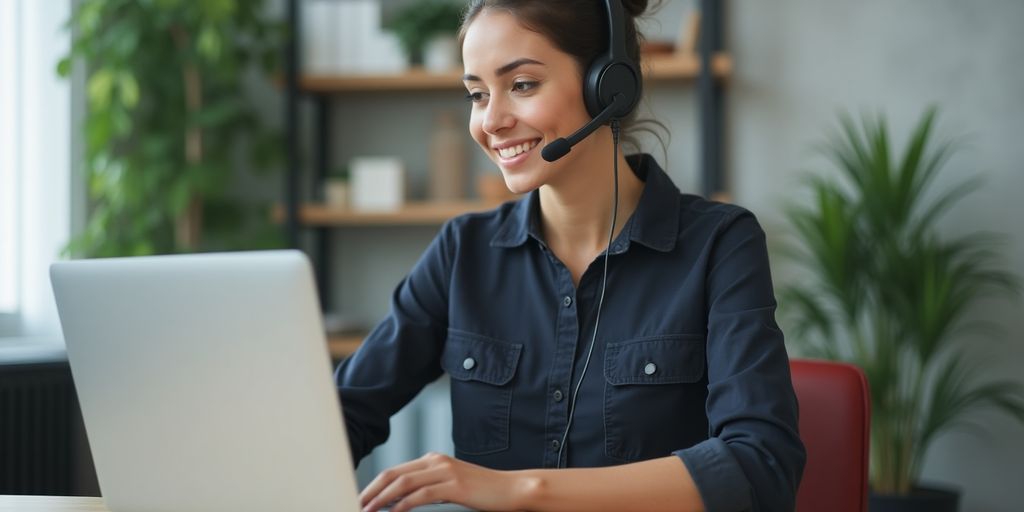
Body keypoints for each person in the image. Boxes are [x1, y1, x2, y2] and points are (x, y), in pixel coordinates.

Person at [336, 1, 806, 511]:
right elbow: (345, 411)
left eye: (522, 85)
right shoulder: (462, 252)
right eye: (476, 93)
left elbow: (760, 466)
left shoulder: (720, 245)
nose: (491, 121)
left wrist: (521, 490)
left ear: (608, 85)